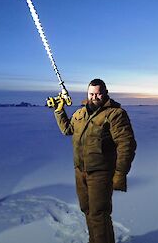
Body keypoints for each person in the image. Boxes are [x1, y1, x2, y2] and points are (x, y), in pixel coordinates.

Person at [53, 79, 136, 243]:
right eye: (91, 93)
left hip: (101, 172)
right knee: (87, 210)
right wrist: (59, 110)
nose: (94, 97)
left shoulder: (115, 114)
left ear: (105, 93)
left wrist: (120, 173)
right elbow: (67, 130)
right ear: (87, 94)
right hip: (80, 171)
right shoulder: (80, 113)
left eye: (98, 93)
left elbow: (126, 145)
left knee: (99, 213)